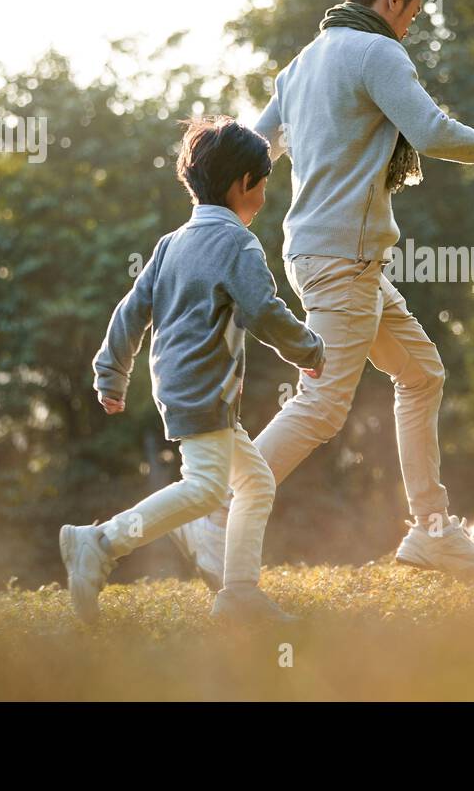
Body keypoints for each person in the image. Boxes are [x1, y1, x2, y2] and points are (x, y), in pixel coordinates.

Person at [171, 0, 474, 579]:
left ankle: (431, 529)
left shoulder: (303, 64)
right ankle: (212, 513)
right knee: (319, 407)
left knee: (422, 374)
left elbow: (257, 147)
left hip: (331, 254)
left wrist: (209, 207)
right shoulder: (378, 52)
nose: (410, 28)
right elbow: (430, 133)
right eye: (412, 15)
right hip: (342, 258)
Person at [59, 117, 325, 625]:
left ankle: (240, 592)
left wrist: (110, 373)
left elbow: (129, 311)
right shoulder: (237, 244)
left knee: (256, 482)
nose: (264, 198)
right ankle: (101, 542)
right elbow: (263, 310)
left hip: (186, 386)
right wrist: (309, 350)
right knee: (204, 488)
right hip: (204, 386)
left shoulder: (169, 244)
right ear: (243, 183)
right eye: (264, 186)